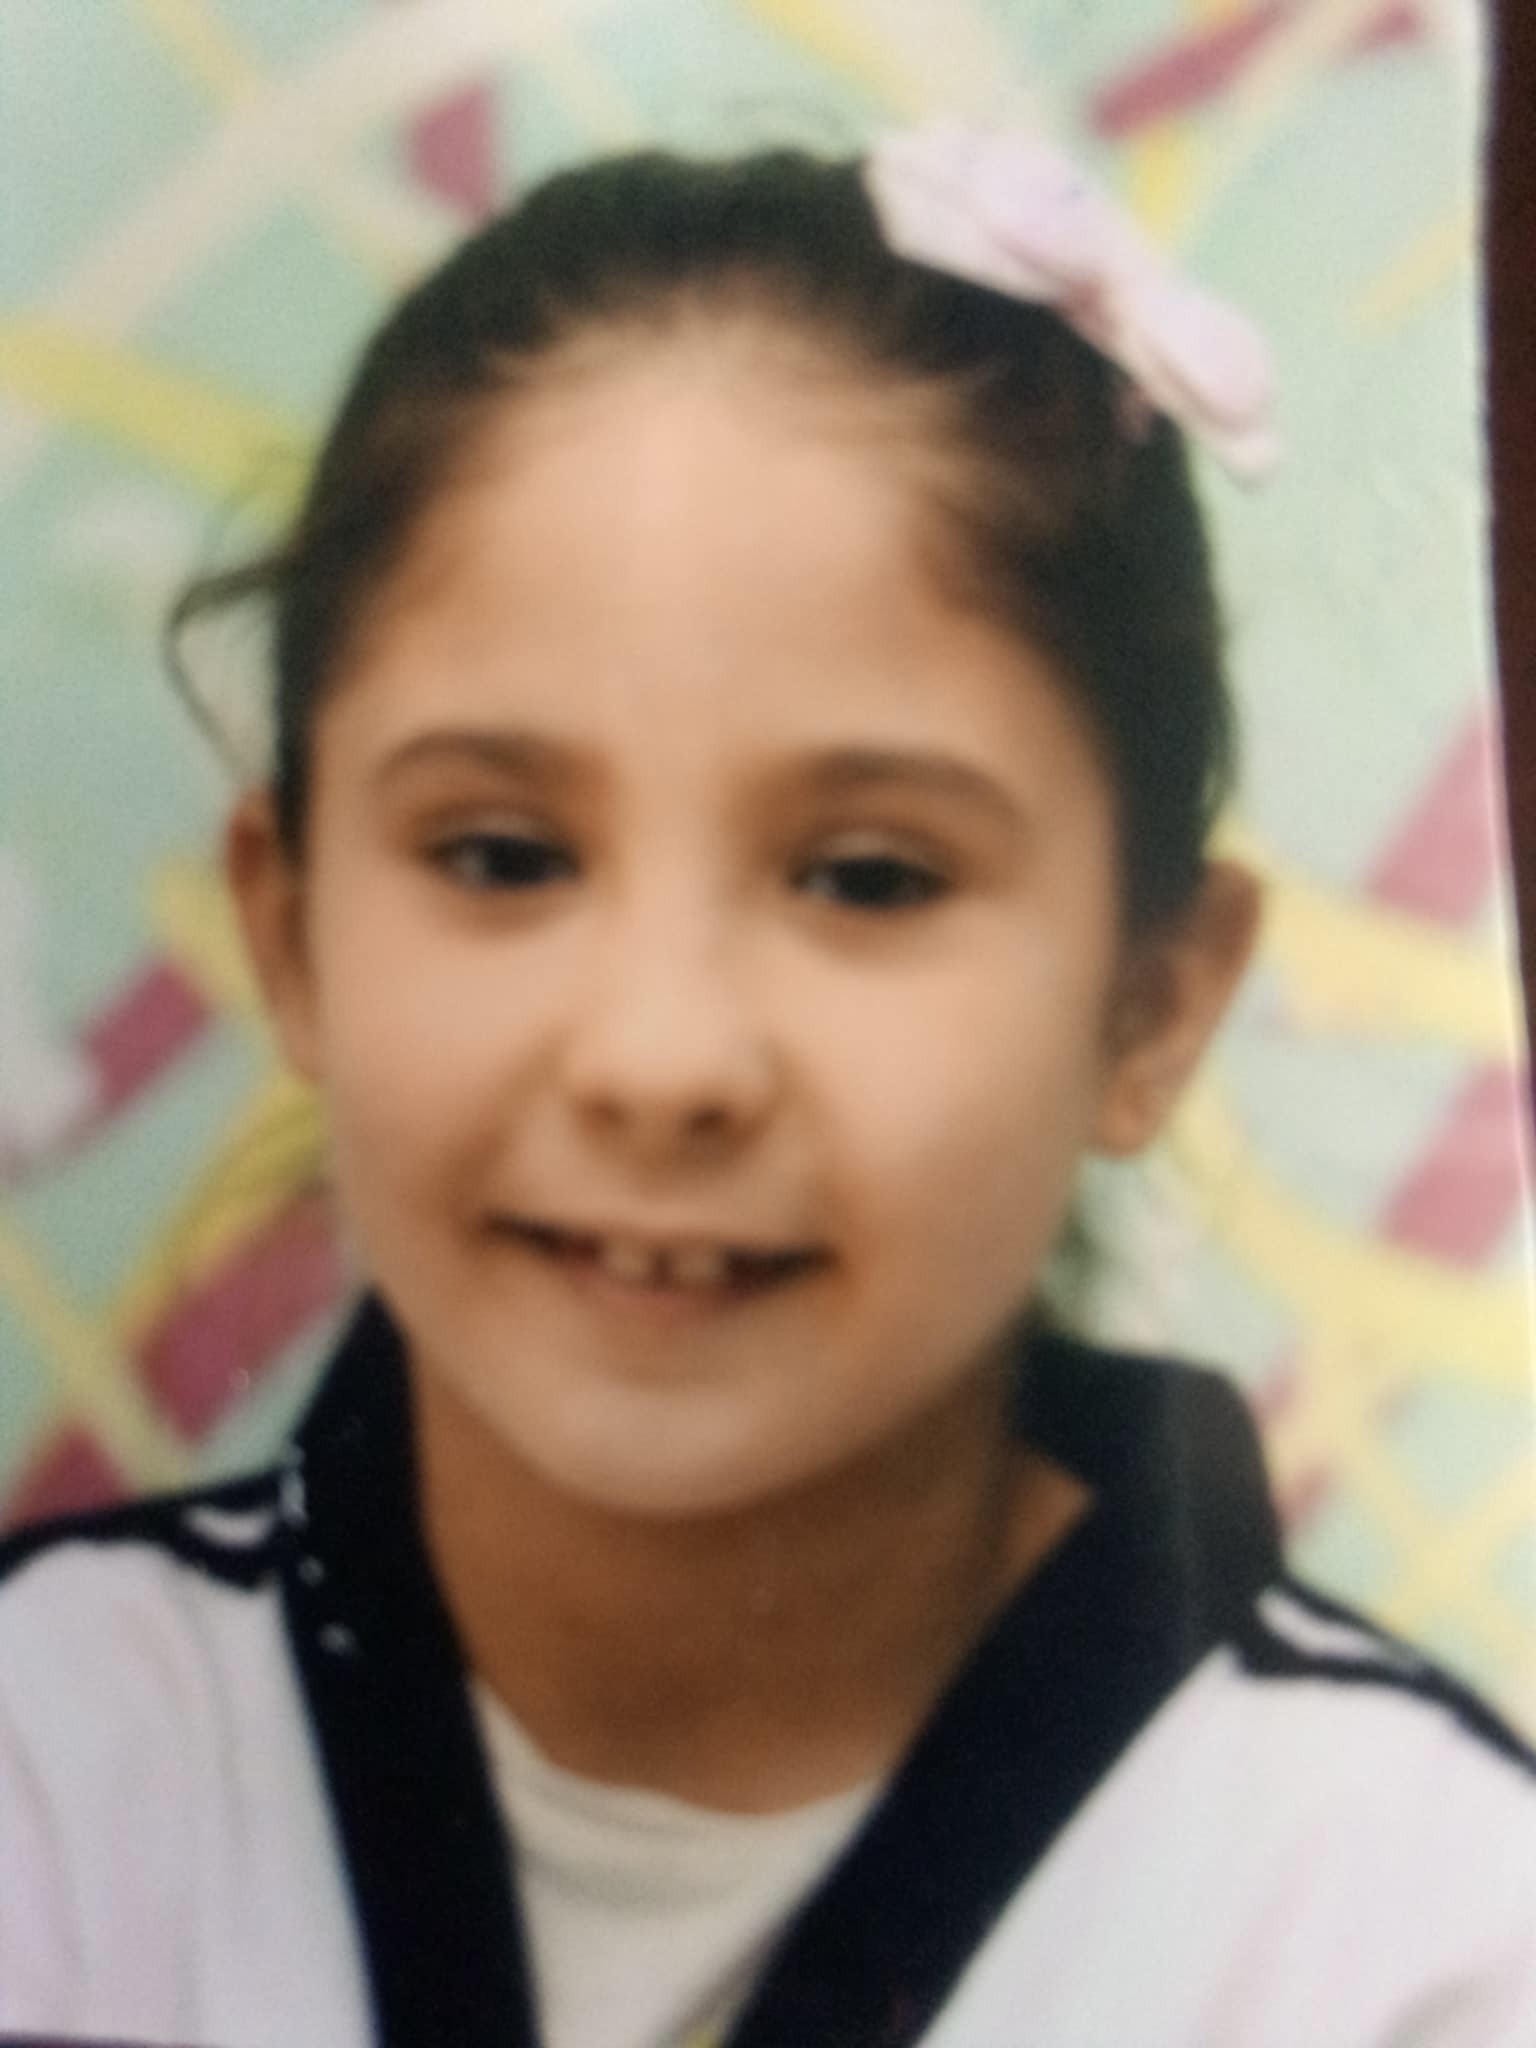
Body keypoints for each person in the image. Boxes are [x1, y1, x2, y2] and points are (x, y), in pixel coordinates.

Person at [0, 128, 1531, 2048]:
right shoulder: (51, 1778)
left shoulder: (1420, 1934)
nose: (662, 1062)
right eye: (500, 855)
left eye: (869, 878)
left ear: (1149, 1006)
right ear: (294, 935)